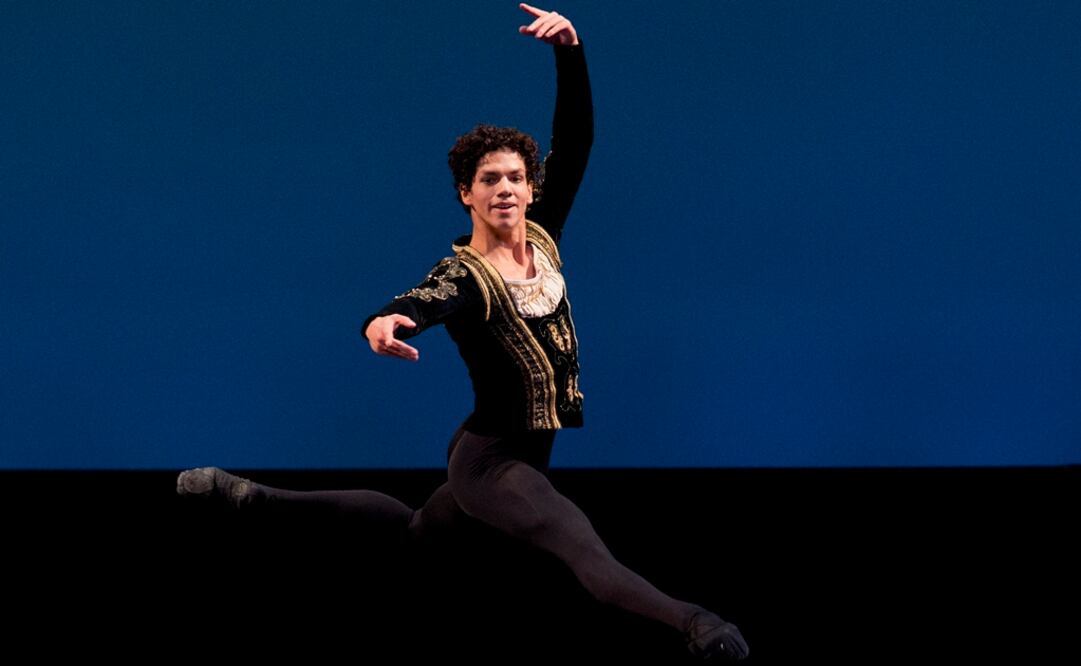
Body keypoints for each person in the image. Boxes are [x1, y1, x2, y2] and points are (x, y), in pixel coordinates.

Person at [176, 4, 748, 660]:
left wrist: (569, 49)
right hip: (493, 461)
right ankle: (697, 626)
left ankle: (251, 498)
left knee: (418, 534)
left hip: (509, 450)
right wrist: (382, 322)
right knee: (579, 546)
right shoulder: (465, 276)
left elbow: (579, 139)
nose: (504, 188)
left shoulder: (541, 232)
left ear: (530, 189)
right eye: (488, 180)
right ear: (466, 195)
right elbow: (419, 301)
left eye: (514, 177)